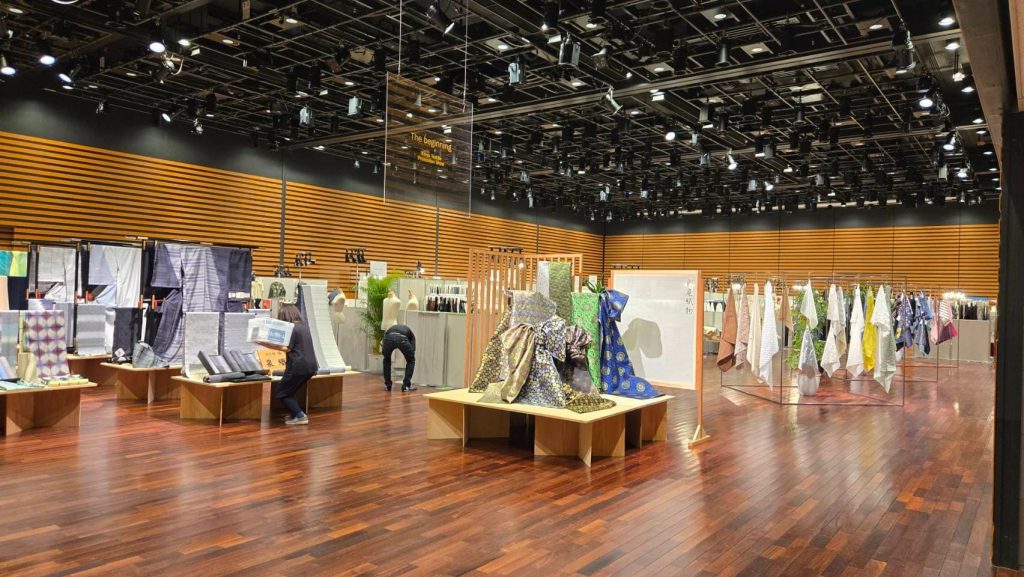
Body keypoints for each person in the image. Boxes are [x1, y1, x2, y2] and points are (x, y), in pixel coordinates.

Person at [260, 304, 317, 425]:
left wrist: (265, 344)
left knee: (282, 393)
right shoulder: (304, 326)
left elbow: (287, 348)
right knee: (289, 391)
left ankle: (300, 416)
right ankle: (295, 414)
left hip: (298, 366)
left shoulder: (292, 328)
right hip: (311, 366)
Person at [382, 323, 417, 392]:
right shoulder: (411, 334)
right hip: (401, 338)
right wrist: (412, 353)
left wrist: (384, 353)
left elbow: (385, 337)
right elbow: (412, 349)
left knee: (386, 360)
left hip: (388, 338)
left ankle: (388, 385)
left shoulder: (392, 328)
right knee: (411, 361)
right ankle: (406, 386)